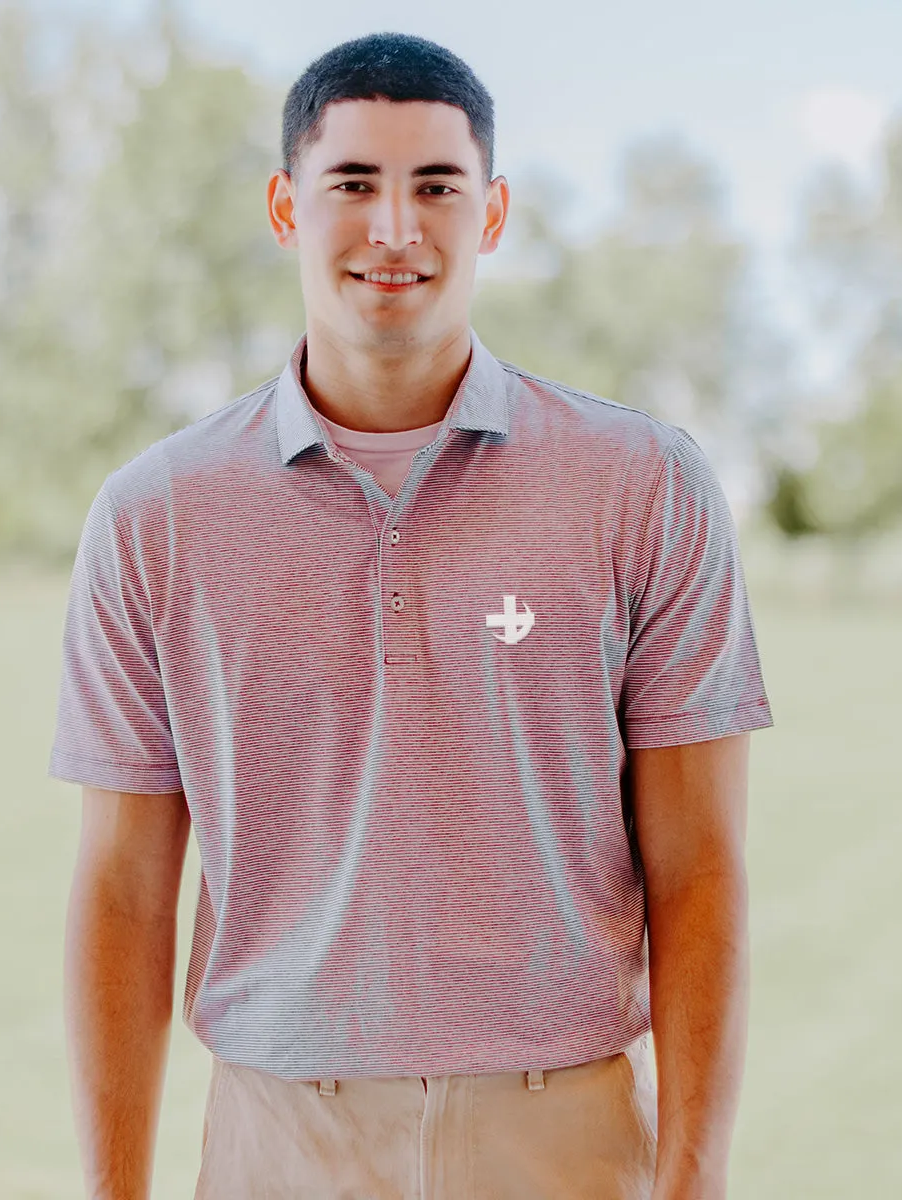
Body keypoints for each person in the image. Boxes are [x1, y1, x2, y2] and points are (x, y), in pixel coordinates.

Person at [49, 30, 773, 1200]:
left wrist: (693, 1187)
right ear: (287, 207)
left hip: (569, 1140)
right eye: (353, 184)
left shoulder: (641, 484)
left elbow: (700, 869)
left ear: (490, 215)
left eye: (437, 185)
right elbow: (125, 889)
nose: (395, 228)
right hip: (277, 1142)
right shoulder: (154, 516)